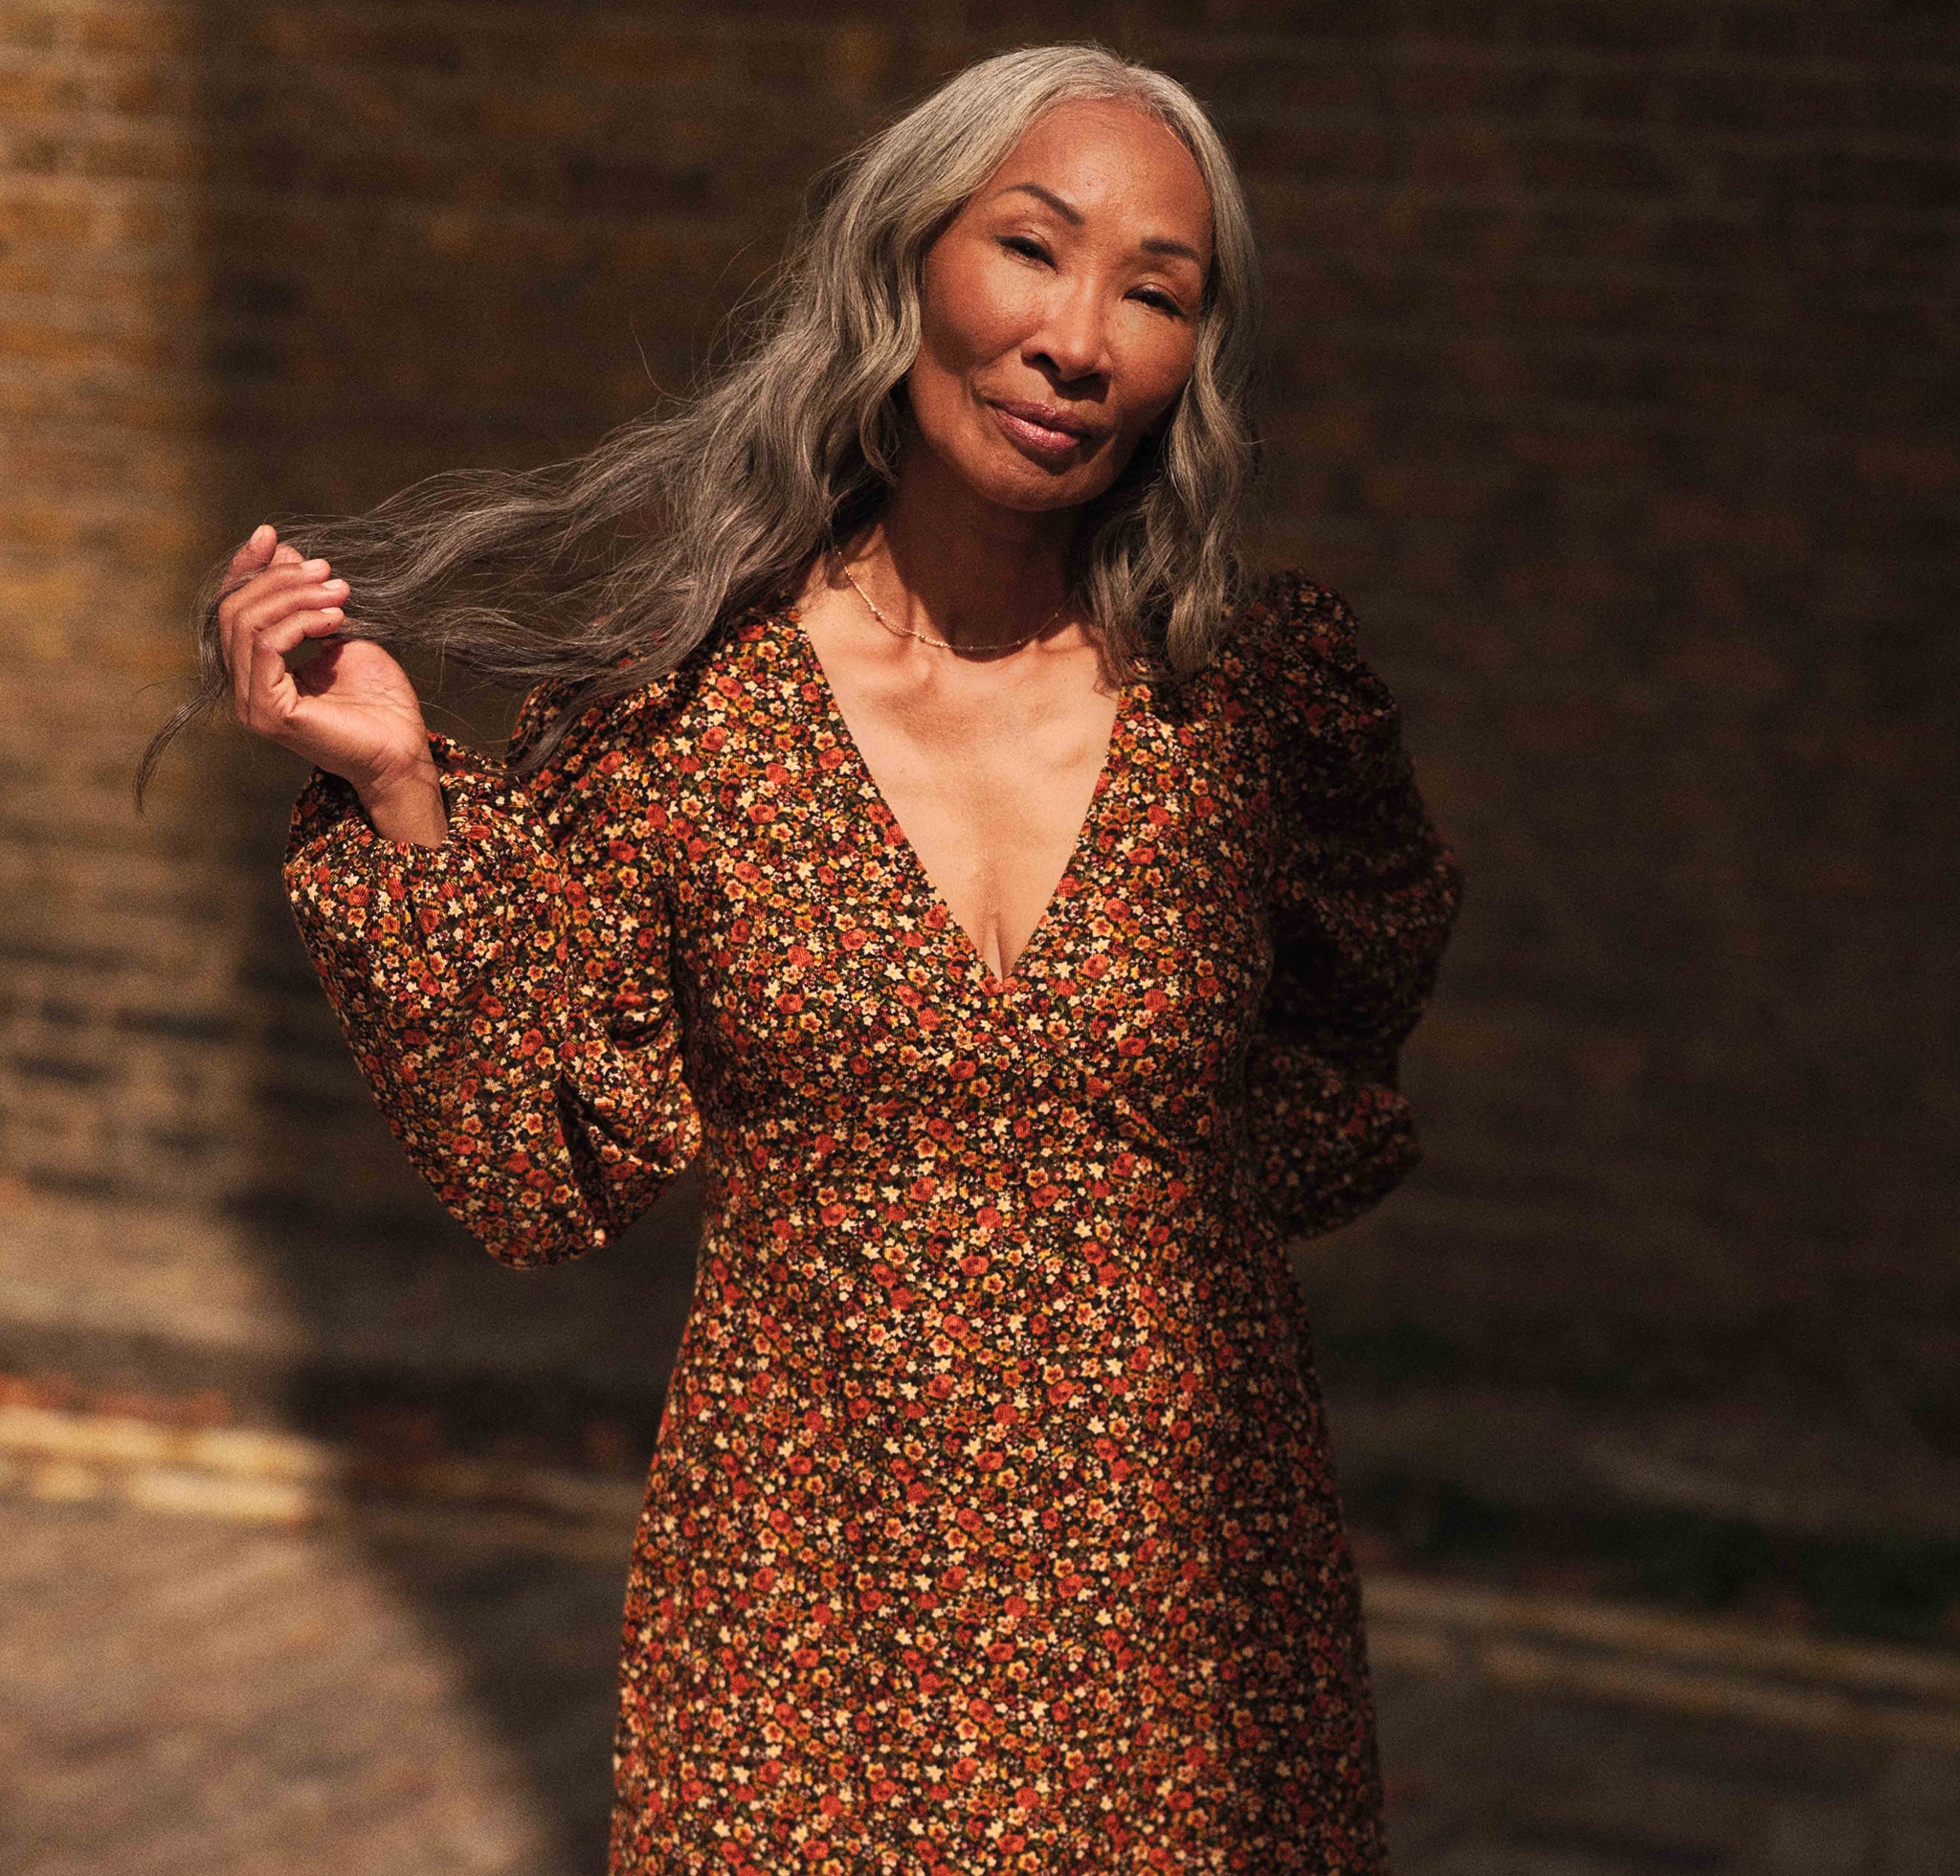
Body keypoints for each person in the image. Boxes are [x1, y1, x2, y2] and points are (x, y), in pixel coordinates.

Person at [156, 42, 1461, 1876]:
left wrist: (1143, 1240)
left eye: (1156, 292)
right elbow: (533, 1164)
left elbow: (1353, 1008)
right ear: (908, 260)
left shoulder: (1255, 701)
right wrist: (398, 795)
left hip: (1198, 1621)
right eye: (1033, 248)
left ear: (1193, 362)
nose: (1082, 337)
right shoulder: (694, 711)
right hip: (811, 1613)